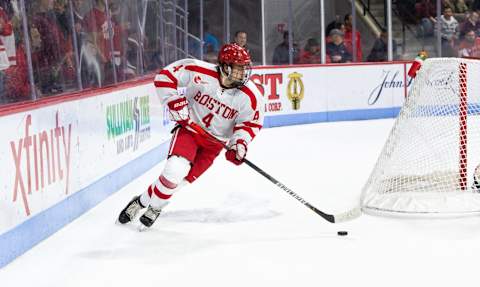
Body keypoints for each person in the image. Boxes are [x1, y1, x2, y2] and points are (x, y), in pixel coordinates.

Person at [117, 43, 264, 229]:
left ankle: (140, 202)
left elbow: (250, 124)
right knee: (174, 171)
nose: (243, 73)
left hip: (214, 145)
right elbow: (165, 76)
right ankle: (154, 208)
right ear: (225, 66)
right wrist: (173, 100)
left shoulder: (250, 95)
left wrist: (239, 144)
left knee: (178, 183)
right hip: (190, 131)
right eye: (238, 68)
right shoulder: (198, 70)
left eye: (244, 68)